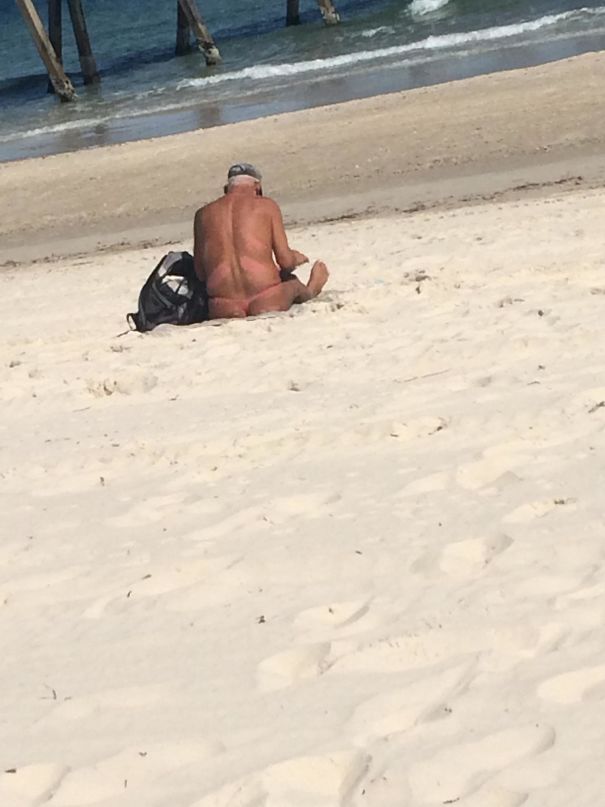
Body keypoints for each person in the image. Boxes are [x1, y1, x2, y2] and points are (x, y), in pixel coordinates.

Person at [193, 163, 329, 320]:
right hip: (266, 297)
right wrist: (296, 258)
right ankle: (312, 290)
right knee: (294, 284)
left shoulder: (202, 215)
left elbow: (200, 273)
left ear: (226, 188)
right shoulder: (267, 206)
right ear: (257, 187)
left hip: (224, 304)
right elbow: (285, 262)